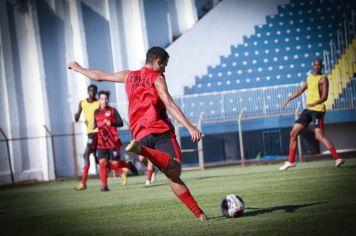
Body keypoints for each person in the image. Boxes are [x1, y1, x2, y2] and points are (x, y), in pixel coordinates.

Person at [68, 46, 207, 221]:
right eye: (164, 65)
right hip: (160, 131)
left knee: (170, 173)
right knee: (176, 170)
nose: (165, 69)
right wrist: (190, 127)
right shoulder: (158, 77)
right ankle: (143, 152)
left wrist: (78, 67)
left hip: (140, 135)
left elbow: (99, 76)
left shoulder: (128, 75)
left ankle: (199, 215)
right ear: (157, 62)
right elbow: (169, 104)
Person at [279, 58, 345, 171]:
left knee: (318, 136)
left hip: (317, 111)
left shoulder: (323, 79)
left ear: (321, 67)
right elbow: (300, 90)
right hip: (308, 110)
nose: (317, 67)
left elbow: (325, 97)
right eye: (315, 65)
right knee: (293, 133)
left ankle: (337, 158)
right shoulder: (309, 77)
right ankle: (290, 161)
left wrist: (315, 103)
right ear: (313, 65)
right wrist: (288, 99)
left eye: (319, 65)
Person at [94, 90, 137, 191]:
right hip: (101, 142)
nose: (104, 101)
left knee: (115, 164)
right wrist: (93, 125)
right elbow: (95, 124)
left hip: (112, 141)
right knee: (102, 162)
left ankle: (128, 165)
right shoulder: (96, 112)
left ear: (108, 100)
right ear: (99, 100)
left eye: (105, 99)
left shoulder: (112, 110)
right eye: (102, 99)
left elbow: (120, 123)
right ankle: (104, 186)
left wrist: (111, 123)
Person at [73, 84, 99, 190]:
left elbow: (102, 116)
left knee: (86, 154)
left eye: (94, 91)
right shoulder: (82, 103)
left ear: (96, 92)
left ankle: (83, 183)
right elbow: (77, 117)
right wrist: (76, 116)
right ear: (88, 91)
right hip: (90, 132)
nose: (92, 92)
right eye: (90, 91)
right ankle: (122, 169)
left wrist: (97, 123)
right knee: (98, 159)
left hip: (96, 132)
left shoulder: (98, 103)